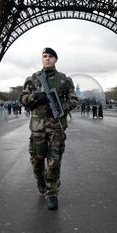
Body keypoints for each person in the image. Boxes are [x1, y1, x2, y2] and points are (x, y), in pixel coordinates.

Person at [20, 47, 78, 210]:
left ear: (55, 60)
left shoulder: (64, 80)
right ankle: (40, 180)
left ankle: (52, 193)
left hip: (56, 127)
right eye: (45, 56)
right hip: (38, 128)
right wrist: (34, 97)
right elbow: (22, 98)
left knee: (54, 162)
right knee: (37, 160)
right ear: (41, 59)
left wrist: (60, 108)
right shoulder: (33, 79)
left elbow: (74, 100)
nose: (47, 59)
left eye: (51, 56)